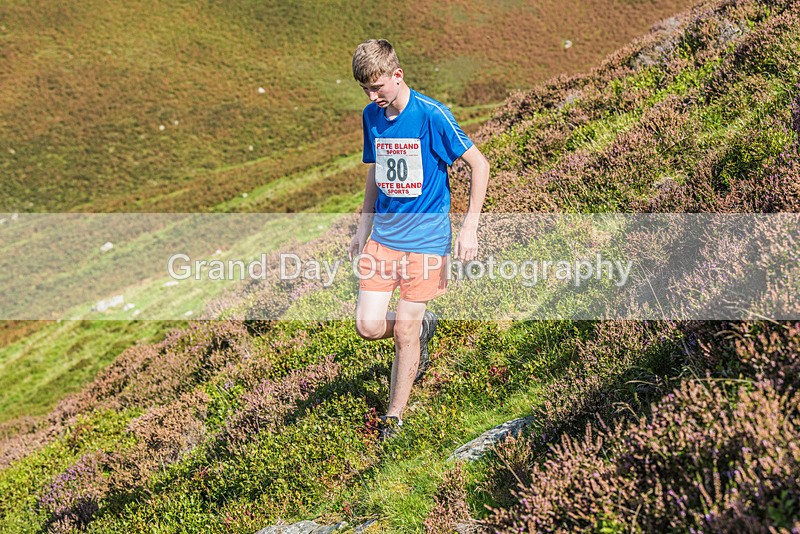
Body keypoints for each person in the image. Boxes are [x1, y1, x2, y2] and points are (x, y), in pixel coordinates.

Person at [347, 39, 490, 442]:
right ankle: (424, 325)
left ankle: (394, 417)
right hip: (384, 239)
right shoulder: (371, 116)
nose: (372, 97)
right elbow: (376, 170)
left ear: (397, 75)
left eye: (378, 88)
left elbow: (480, 165)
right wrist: (362, 227)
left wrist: (470, 227)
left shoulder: (431, 115)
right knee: (367, 326)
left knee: (403, 331)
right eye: (366, 90)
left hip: (427, 242)